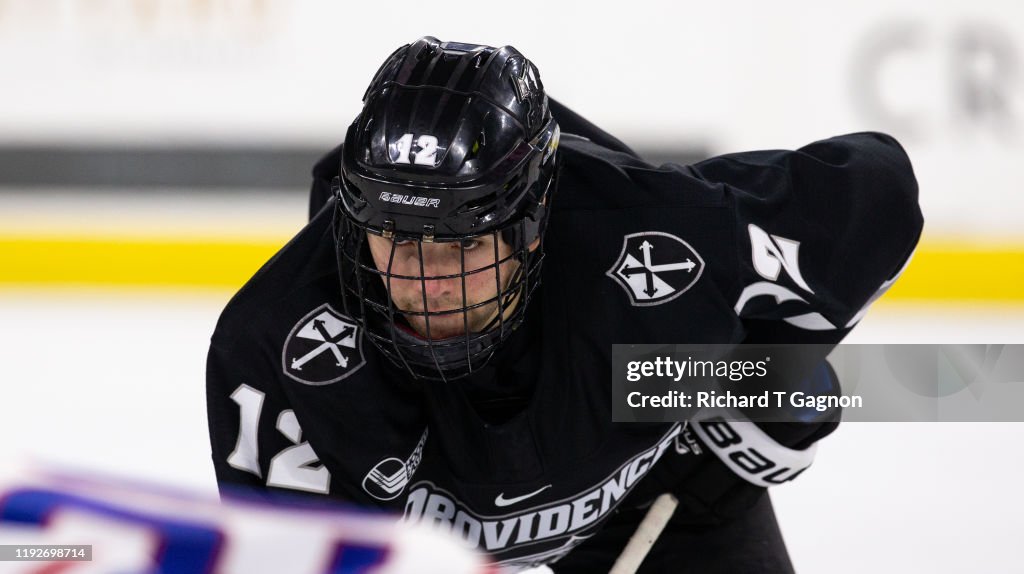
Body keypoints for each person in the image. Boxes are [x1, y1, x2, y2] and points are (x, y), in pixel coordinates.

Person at [207, 37, 923, 572]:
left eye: (462, 243)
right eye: (396, 237)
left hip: (655, 490)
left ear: (531, 221)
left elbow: (877, 193)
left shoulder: (653, 249)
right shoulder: (279, 351)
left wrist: (766, 377)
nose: (429, 281)